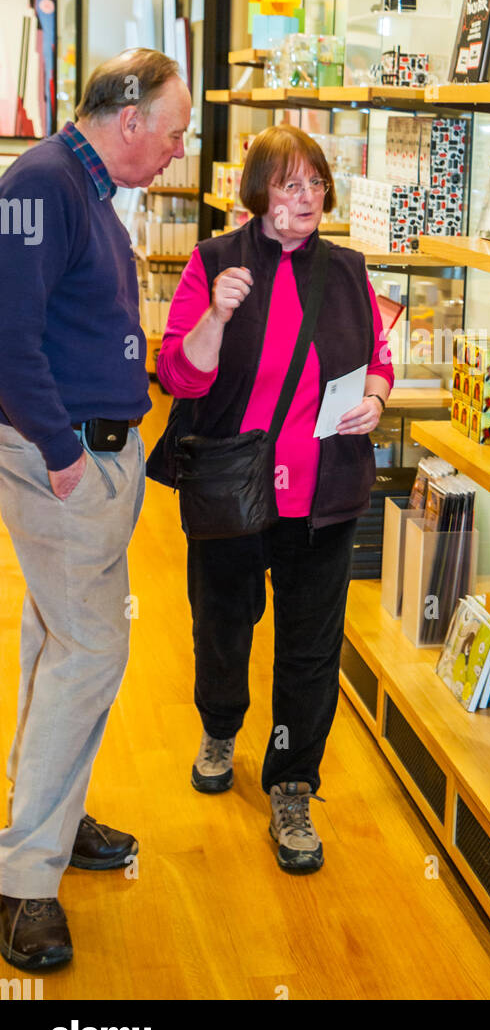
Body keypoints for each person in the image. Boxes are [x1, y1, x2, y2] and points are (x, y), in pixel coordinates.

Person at [150, 124, 394, 874]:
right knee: (224, 623)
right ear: (256, 192)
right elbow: (179, 379)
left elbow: (379, 359)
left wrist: (378, 398)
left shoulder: (349, 271)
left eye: (316, 183)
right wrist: (217, 317)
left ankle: (291, 780)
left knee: (310, 648)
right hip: (233, 489)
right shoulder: (215, 262)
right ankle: (220, 726)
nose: (306, 198)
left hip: (326, 494)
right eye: (289, 184)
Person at [0, 50, 191, 970]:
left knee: (56, 643)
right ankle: (26, 881)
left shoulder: (82, 190)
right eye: (174, 131)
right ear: (128, 121)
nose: (178, 150)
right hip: (63, 460)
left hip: (96, 456)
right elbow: (7, 338)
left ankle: (51, 819)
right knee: (89, 654)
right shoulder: (40, 184)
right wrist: (66, 453)